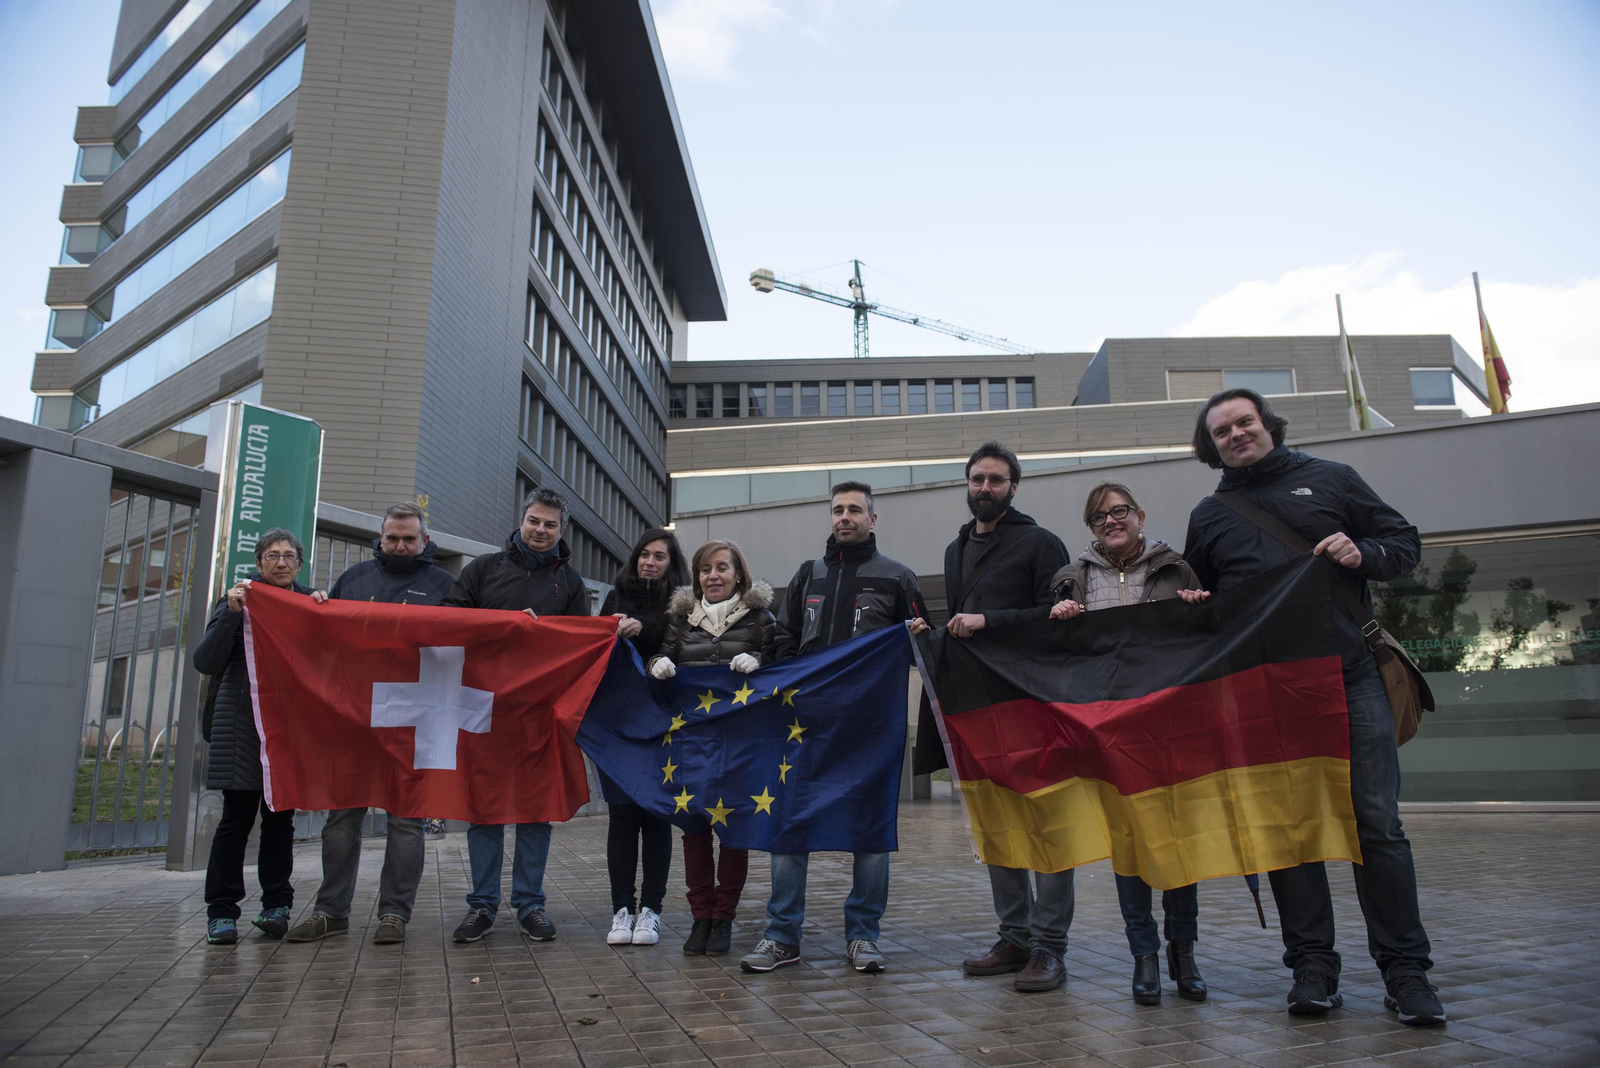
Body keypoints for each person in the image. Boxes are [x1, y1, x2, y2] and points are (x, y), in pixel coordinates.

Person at [1182, 388, 1444, 1026]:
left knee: (1376, 826)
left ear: (1266, 424)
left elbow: (1403, 543)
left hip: (1350, 675)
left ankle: (1406, 975)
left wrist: (1365, 553)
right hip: (1266, 692)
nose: (1237, 434)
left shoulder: (1332, 478)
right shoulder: (1211, 516)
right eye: (1222, 431)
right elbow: (1208, 603)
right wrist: (1197, 605)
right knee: (1289, 833)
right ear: (1211, 448)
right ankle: (1312, 969)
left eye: (1245, 422)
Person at [741, 482, 931, 975]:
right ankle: (782, 936)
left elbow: (923, 646)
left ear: (873, 518)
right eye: (837, 510)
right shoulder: (809, 574)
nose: (844, 517)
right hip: (803, 726)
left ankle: (863, 936)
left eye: (854, 510)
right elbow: (783, 636)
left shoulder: (898, 577)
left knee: (869, 833)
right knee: (788, 824)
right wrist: (788, 679)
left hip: (868, 729)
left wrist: (914, 639)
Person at [1047, 482, 1210, 1005]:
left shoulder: (1178, 568)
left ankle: (1182, 951)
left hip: (1169, 729)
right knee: (1130, 847)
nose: (1111, 522)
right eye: (1100, 518)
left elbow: (1206, 638)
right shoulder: (1072, 578)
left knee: (1178, 845)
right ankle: (1144, 956)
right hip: (1111, 732)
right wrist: (1062, 615)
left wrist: (1197, 605)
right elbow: (1059, 653)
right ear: (1091, 529)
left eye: (1119, 512)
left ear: (1139, 514)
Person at [285, 503, 454, 947]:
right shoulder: (354, 580)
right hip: (355, 717)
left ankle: (394, 915)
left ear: (424, 541)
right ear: (380, 538)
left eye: (409, 539)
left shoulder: (445, 586)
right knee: (341, 819)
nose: (400, 546)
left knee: (406, 822)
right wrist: (316, 606)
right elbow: (321, 639)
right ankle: (330, 911)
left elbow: (473, 641)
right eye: (392, 537)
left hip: (413, 722)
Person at [943, 441, 1073, 993]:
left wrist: (988, 620)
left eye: (996, 480)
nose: (985, 488)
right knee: (997, 823)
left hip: (1032, 702)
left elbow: (1060, 616)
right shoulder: (955, 549)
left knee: (1047, 824)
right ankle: (1014, 936)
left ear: (1014, 487)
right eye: (977, 479)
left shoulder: (1041, 542)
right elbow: (959, 622)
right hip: (977, 705)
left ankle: (1049, 947)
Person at [442, 487, 590, 944]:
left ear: (561, 530)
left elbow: (582, 645)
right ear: (520, 520)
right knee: (483, 810)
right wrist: (502, 624)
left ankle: (530, 904)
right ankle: (482, 906)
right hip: (483, 710)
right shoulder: (483, 569)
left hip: (539, 715)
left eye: (549, 524)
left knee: (534, 812)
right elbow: (448, 618)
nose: (540, 530)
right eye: (533, 521)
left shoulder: (571, 583)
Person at [194, 528, 326, 945]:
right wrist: (231, 614)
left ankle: (277, 906)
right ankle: (221, 912)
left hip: (287, 729)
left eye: (289, 555)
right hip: (242, 729)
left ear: (300, 564)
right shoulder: (237, 601)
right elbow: (206, 660)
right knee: (235, 820)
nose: (281, 562)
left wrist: (323, 612)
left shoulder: (308, 604)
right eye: (272, 555)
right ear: (258, 563)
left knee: (279, 820)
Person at [646, 540, 777, 957]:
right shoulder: (682, 620)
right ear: (696, 576)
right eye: (705, 569)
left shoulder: (761, 618)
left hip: (741, 743)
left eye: (722, 568)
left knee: (734, 829)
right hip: (693, 742)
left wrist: (759, 660)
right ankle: (700, 915)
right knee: (695, 828)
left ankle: (724, 919)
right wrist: (657, 666)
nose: (713, 576)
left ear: (739, 574)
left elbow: (785, 664)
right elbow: (661, 657)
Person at [598, 528, 689, 949]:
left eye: (660, 556)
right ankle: (621, 909)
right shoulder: (614, 599)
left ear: (672, 565)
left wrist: (645, 631)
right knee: (621, 817)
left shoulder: (683, 605)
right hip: (618, 723)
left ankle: (650, 910)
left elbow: (682, 647)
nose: (650, 562)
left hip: (664, 724)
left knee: (655, 817)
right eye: (644, 555)